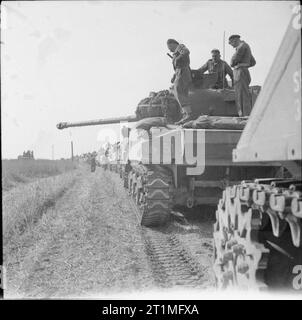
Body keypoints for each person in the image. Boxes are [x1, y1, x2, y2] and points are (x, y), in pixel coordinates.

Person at [167, 39, 193, 125]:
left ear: (172, 44)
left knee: (177, 90)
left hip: (183, 72)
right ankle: (186, 114)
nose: (169, 49)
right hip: (181, 72)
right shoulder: (176, 51)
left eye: (169, 47)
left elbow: (186, 52)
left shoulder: (180, 46)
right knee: (183, 93)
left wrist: (177, 59)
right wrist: (174, 76)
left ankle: (188, 114)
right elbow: (178, 67)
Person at [229, 34, 256, 116]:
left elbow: (232, 62)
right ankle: (245, 116)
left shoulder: (241, 47)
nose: (231, 45)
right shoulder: (246, 46)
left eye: (231, 43)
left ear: (235, 40)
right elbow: (253, 62)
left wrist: (240, 65)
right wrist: (245, 65)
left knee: (241, 96)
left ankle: (244, 117)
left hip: (240, 73)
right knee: (244, 95)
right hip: (244, 72)